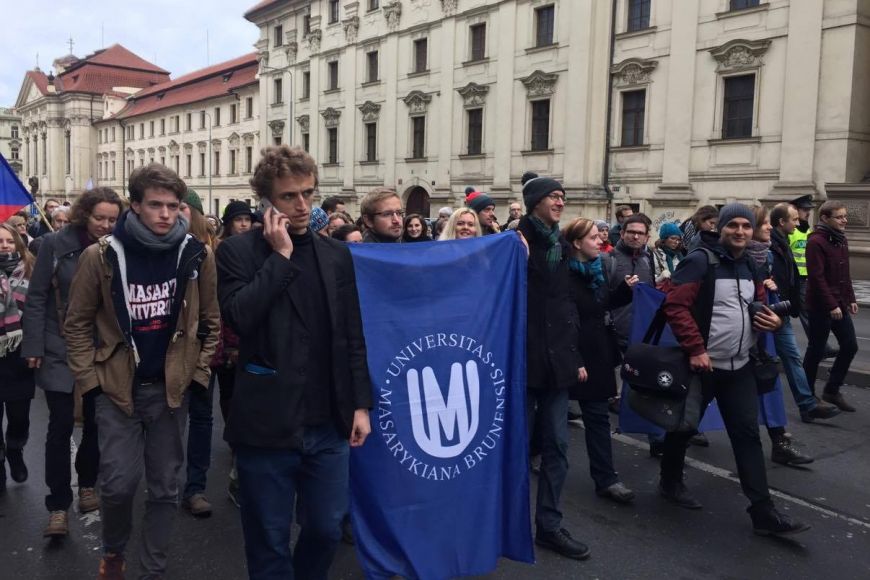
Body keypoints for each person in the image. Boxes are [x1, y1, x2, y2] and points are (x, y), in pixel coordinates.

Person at [215, 145, 372, 578]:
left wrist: (361, 404)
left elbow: (352, 334)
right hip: (267, 424)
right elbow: (241, 317)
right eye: (289, 196)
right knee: (268, 539)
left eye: (308, 193)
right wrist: (281, 256)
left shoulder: (336, 255)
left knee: (324, 529)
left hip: (328, 423)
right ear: (267, 200)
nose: (302, 205)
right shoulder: (236, 253)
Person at [64, 163, 220, 579]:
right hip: (117, 389)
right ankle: (114, 550)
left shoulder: (195, 254)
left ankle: (153, 569)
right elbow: (76, 323)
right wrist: (90, 381)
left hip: (171, 389)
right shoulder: (100, 256)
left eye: (173, 206)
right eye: (155, 205)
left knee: (167, 488)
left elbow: (210, 320)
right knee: (116, 485)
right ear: (135, 205)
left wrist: (198, 373)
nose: (166, 214)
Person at [661, 203, 809, 536]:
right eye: (733, 226)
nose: (740, 232)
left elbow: (756, 305)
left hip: (740, 366)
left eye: (745, 226)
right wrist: (696, 349)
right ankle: (669, 481)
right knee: (684, 428)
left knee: (747, 436)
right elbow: (675, 306)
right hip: (704, 367)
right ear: (721, 228)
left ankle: (763, 512)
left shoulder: (750, 265)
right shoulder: (699, 261)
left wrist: (772, 319)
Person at [21, 187, 123, 538]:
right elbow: (36, 298)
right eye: (100, 218)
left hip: (100, 350)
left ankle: (88, 484)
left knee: (96, 424)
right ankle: (57, 505)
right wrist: (33, 344)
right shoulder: (54, 244)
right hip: (58, 345)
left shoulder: (118, 247)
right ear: (84, 216)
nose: (105, 225)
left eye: (113, 219)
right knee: (60, 426)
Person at [517, 171, 590, 560]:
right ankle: (502, 523)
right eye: (554, 197)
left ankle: (548, 525)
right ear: (536, 203)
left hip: (557, 365)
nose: (561, 202)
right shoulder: (515, 242)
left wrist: (574, 357)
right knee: (515, 450)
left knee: (558, 449)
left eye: (563, 197)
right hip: (523, 365)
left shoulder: (559, 246)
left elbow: (567, 308)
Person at [562, 217, 637, 504]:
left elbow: (600, 307)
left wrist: (624, 292)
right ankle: (531, 454)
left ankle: (607, 479)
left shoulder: (598, 269)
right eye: (593, 238)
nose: (600, 241)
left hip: (597, 354)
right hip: (569, 357)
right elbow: (563, 322)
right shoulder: (562, 276)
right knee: (551, 420)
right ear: (577, 243)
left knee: (597, 418)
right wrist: (575, 359)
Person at [747, 206, 813, 467]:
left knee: (770, 387)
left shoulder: (767, 256)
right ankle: (678, 440)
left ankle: (780, 443)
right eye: (763, 224)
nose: (768, 228)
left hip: (761, 337)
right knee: (708, 396)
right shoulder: (720, 259)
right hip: (726, 345)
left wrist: (772, 296)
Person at [768, 203, 841, 424]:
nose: (798, 223)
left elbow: (789, 278)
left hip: (781, 312)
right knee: (748, 368)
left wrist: (791, 306)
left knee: (791, 357)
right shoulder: (770, 245)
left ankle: (807, 405)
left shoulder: (782, 243)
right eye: (794, 219)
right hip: (768, 312)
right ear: (782, 222)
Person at [803, 201, 859, 412]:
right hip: (820, 305)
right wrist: (831, 305)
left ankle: (832, 390)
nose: (844, 220)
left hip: (839, 303)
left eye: (845, 216)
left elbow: (845, 274)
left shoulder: (840, 240)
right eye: (839, 217)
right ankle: (807, 395)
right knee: (816, 350)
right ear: (825, 219)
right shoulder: (816, 242)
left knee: (850, 345)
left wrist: (851, 298)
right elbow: (816, 278)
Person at [0, 223, 35, 498]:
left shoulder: (31, 270)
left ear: (18, 243)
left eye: (9, 241)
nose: (4, 246)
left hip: (19, 356)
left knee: (19, 417)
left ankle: (14, 447)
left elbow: (39, 312)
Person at [790, 195, 838, 359]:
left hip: (808, 278)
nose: (808, 213)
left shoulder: (808, 230)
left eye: (809, 210)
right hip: (796, 280)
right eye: (805, 210)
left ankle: (819, 346)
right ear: (795, 210)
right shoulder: (791, 231)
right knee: (807, 313)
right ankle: (821, 347)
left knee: (810, 312)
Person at [652, 222, 684, 291]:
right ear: (664, 239)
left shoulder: (679, 256)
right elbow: (648, 280)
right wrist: (660, 277)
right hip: (660, 294)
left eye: (678, 239)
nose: (676, 242)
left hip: (677, 292)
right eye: (673, 238)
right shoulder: (654, 255)